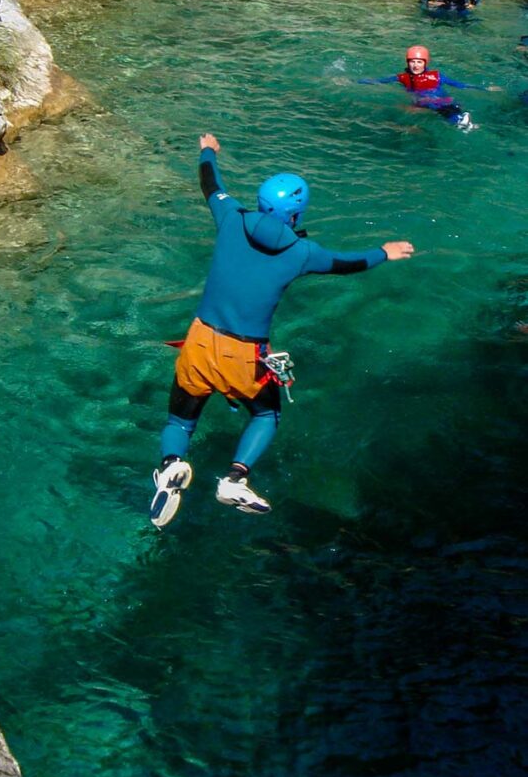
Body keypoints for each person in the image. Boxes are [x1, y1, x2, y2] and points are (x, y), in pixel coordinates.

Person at [149, 133, 415, 529]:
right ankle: (236, 478)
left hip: (200, 339)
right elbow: (347, 263)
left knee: (179, 422)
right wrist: (384, 253)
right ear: (295, 215)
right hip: (243, 355)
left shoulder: (231, 217)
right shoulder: (303, 252)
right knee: (267, 413)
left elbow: (210, 183)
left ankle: (171, 466)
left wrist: (209, 149)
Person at [358, 44, 495, 129]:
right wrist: (355, 82)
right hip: (422, 102)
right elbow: (378, 81)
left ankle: (460, 120)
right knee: (426, 107)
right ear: (407, 63)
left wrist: (485, 89)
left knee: (439, 106)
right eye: (412, 62)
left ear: (425, 63)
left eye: (419, 62)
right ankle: (461, 121)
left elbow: (461, 85)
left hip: (438, 100)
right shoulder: (402, 77)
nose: (415, 65)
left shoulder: (437, 76)